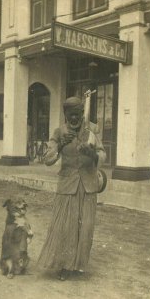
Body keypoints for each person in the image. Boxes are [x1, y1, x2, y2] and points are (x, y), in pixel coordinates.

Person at [37, 96, 106, 280]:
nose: (74, 119)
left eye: (77, 115)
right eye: (70, 116)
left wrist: (92, 153)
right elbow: (47, 160)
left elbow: (102, 154)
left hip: (88, 186)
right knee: (66, 227)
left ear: (82, 113)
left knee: (85, 228)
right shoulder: (59, 132)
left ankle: (78, 264)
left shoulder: (91, 131)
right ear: (65, 115)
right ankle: (65, 266)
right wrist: (60, 146)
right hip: (67, 186)